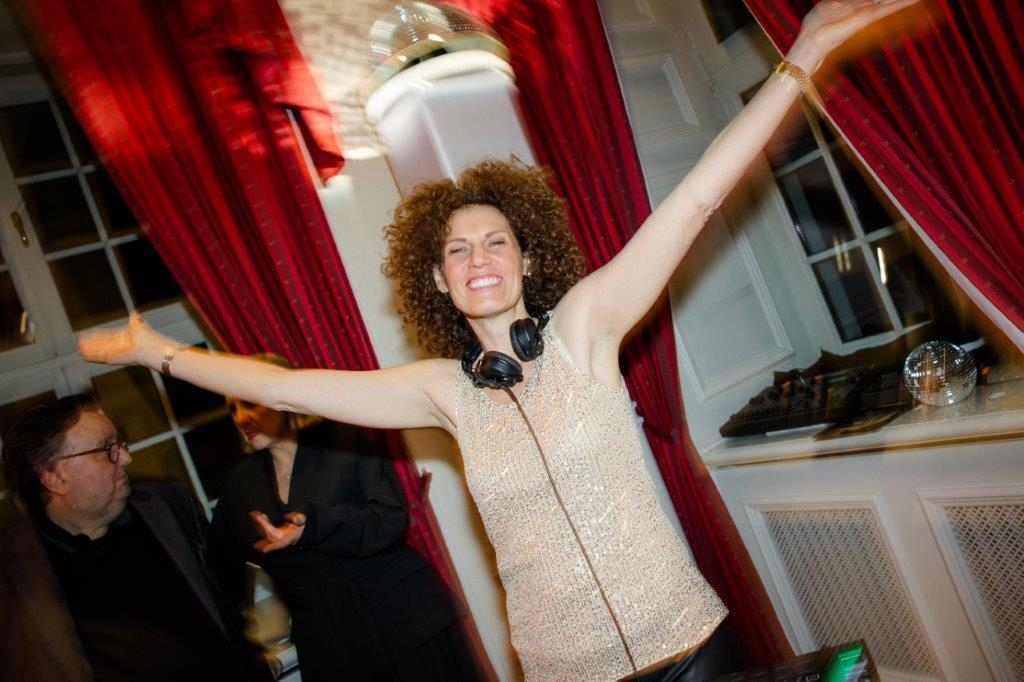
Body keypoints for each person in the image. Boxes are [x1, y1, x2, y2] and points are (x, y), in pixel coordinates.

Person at [79, 2, 922, 679]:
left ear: (528, 259)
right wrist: (159, 353)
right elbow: (286, 387)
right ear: (439, 279)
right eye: (458, 250)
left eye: (496, 242)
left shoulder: (586, 328)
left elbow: (697, 199)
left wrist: (805, 51)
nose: (478, 258)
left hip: (691, 643)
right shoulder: (441, 389)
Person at [210, 353, 483, 682]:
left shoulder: (344, 440)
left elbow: (389, 520)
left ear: (281, 394)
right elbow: (218, 571)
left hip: (406, 620)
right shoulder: (242, 484)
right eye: (233, 410)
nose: (241, 418)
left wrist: (314, 525)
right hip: (333, 647)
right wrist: (243, 646)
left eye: (249, 403)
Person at [0, 394, 276, 682]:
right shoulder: (12, 571)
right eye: (106, 449)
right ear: (53, 477)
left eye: (120, 443)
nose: (126, 457)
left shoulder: (166, 503)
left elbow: (227, 594)